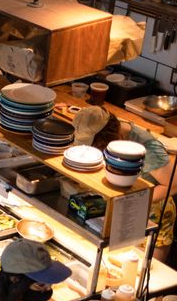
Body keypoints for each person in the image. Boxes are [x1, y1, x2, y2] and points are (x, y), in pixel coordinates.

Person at [74, 106, 177, 261]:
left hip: (151, 210)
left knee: (144, 268)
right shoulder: (113, 132)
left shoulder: (146, 147)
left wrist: (131, 202)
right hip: (122, 204)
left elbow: (172, 185)